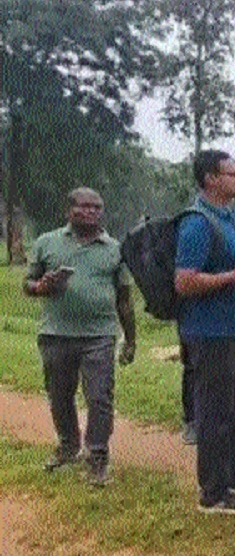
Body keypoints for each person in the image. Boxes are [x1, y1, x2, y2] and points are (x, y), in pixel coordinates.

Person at [24, 187, 136, 486]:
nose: (91, 212)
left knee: (99, 398)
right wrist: (41, 287)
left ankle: (97, 457)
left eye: (97, 207)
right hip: (55, 333)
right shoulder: (47, 242)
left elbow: (124, 298)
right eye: (84, 207)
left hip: (99, 335)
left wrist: (131, 339)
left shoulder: (114, 248)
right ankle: (67, 446)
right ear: (68, 211)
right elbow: (27, 283)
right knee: (60, 395)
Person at [174, 150, 235, 514]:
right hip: (208, 332)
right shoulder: (198, 223)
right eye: (231, 173)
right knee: (214, 411)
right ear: (211, 179)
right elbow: (185, 281)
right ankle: (213, 492)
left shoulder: (225, 219)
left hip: (230, 329)